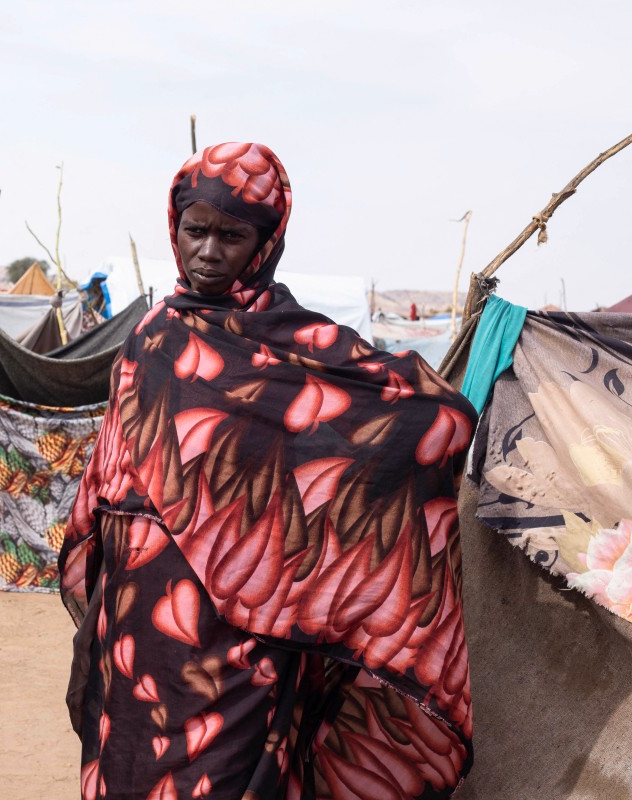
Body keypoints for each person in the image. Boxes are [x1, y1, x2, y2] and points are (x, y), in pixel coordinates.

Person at [60, 142, 476, 799]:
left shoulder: (298, 346)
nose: (208, 250)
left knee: (225, 778)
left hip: (240, 638)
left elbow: (430, 414)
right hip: (136, 624)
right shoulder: (151, 337)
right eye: (195, 231)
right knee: (130, 771)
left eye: (233, 235)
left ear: (268, 239)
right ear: (174, 230)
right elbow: (108, 483)